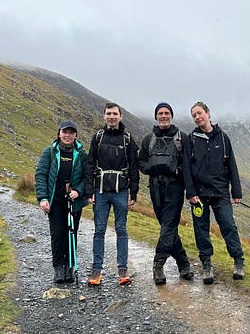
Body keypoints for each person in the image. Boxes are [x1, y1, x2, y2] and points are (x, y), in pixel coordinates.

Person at [182, 101, 245, 284]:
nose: (197, 117)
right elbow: (186, 167)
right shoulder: (191, 139)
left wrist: (236, 191)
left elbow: (231, 165)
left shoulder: (223, 138)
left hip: (220, 193)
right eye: (194, 115)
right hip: (198, 196)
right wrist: (191, 193)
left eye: (199, 113)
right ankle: (206, 264)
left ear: (208, 113)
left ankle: (238, 260)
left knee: (228, 226)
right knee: (201, 230)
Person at [138, 102, 194, 285]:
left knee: (168, 225)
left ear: (171, 116)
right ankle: (183, 263)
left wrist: (176, 172)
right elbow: (141, 162)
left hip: (175, 188)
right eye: (160, 113)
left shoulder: (182, 138)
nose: (163, 116)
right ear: (156, 116)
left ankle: (158, 265)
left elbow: (189, 164)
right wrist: (151, 169)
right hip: (155, 187)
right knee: (167, 226)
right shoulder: (149, 139)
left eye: (166, 113)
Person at [85, 102, 139, 285]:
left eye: (115, 113)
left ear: (120, 116)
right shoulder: (97, 137)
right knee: (99, 230)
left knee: (121, 229)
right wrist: (88, 190)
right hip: (100, 191)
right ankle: (96, 270)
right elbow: (90, 163)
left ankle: (122, 270)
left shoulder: (128, 139)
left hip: (121, 191)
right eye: (109, 113)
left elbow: (134, 166)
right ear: (104, 116)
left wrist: (134, 192)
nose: (112, 117)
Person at [35, 121, 88, 283]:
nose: (67, 135)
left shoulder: (82, 154)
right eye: (65, 132)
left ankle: (70, 267)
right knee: (58, 234)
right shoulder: (50, 152)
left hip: (74, 202)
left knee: (71, 234)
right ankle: (58, 268)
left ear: (76, 135)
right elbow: (41, 175)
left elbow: (88, 177)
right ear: (59, 133)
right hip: (55, 202)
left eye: (71, 132)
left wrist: (78, 190)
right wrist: (43, 198)